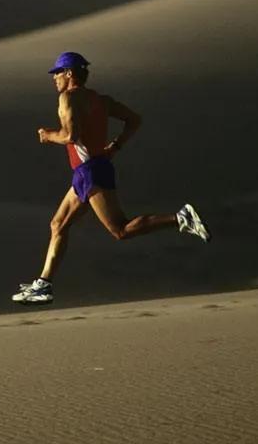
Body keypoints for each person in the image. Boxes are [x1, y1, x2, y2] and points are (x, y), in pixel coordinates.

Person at [12, 51, 210, 305]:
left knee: (120, 230)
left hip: (89, 171)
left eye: (58, 73)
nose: (54, 78)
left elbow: (71, 136)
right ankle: (43, 285)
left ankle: (180, 217)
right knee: (58, 224)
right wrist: (115, 146)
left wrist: (48, 135)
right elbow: (134, 120)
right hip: (91, 169)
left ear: (69, 73)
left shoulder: (68, 98)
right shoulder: (101, 100)